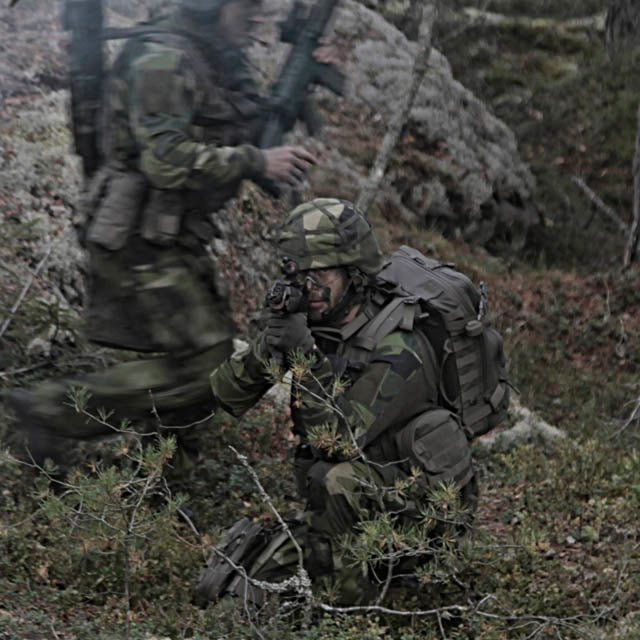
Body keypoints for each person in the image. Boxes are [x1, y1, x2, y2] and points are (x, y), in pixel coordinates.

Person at [4, 0, 317, 476]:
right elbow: (166, 162)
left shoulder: (210, 51)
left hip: (169, 233)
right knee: (207, 365)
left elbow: (240, 119)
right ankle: (48, 410)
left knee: (202, 356)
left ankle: (164, 477)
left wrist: (305, 72)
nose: (259, 16)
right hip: (135, 237)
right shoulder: (162, 60)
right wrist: (255, 161)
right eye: (248, 5)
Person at [199, 198, 477, 605]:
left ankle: (348, 609)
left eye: (321, 273)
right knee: (232, 588)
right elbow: (227, 392)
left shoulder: (400, 345)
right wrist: (273, 343)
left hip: (427, 511)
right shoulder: (322, 321)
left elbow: (337, 440)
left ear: (354, 272)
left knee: (335, 477)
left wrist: (305, 358)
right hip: (360, 498)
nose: (308, 286)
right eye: (298, 273)